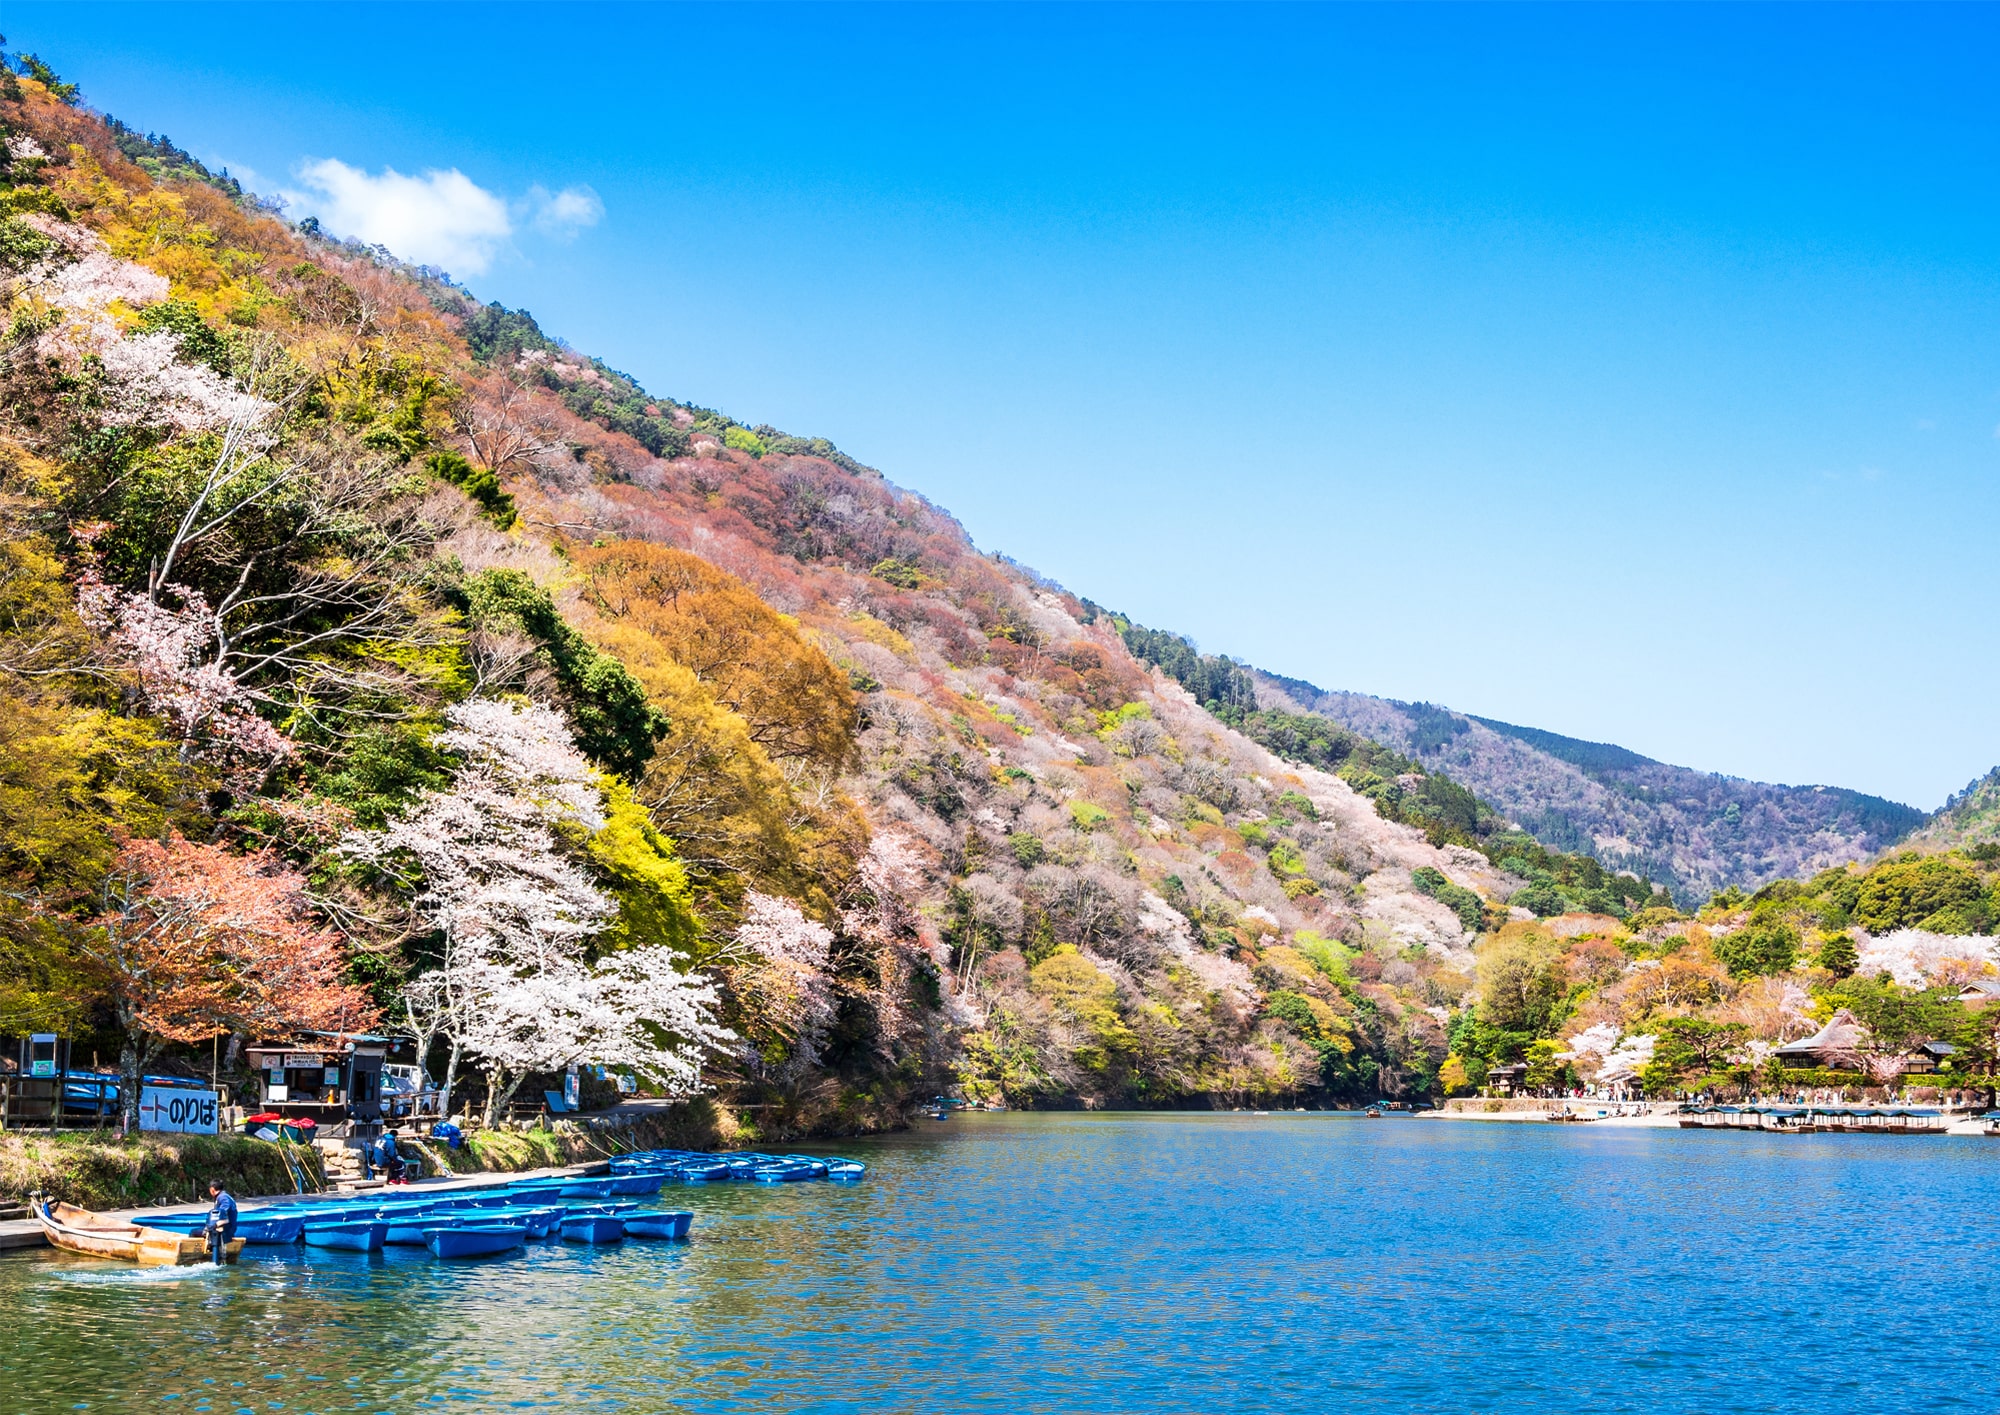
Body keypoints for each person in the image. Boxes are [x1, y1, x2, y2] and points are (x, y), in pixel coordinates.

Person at [205, 1179, 237, 1265]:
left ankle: (204, 1256)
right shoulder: (224, 1196)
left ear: (212, 1189)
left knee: (193, 1232)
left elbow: (222, 1215)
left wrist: (214, 1225)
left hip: (226, 1230)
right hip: (227, 1229)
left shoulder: (223, 1198)